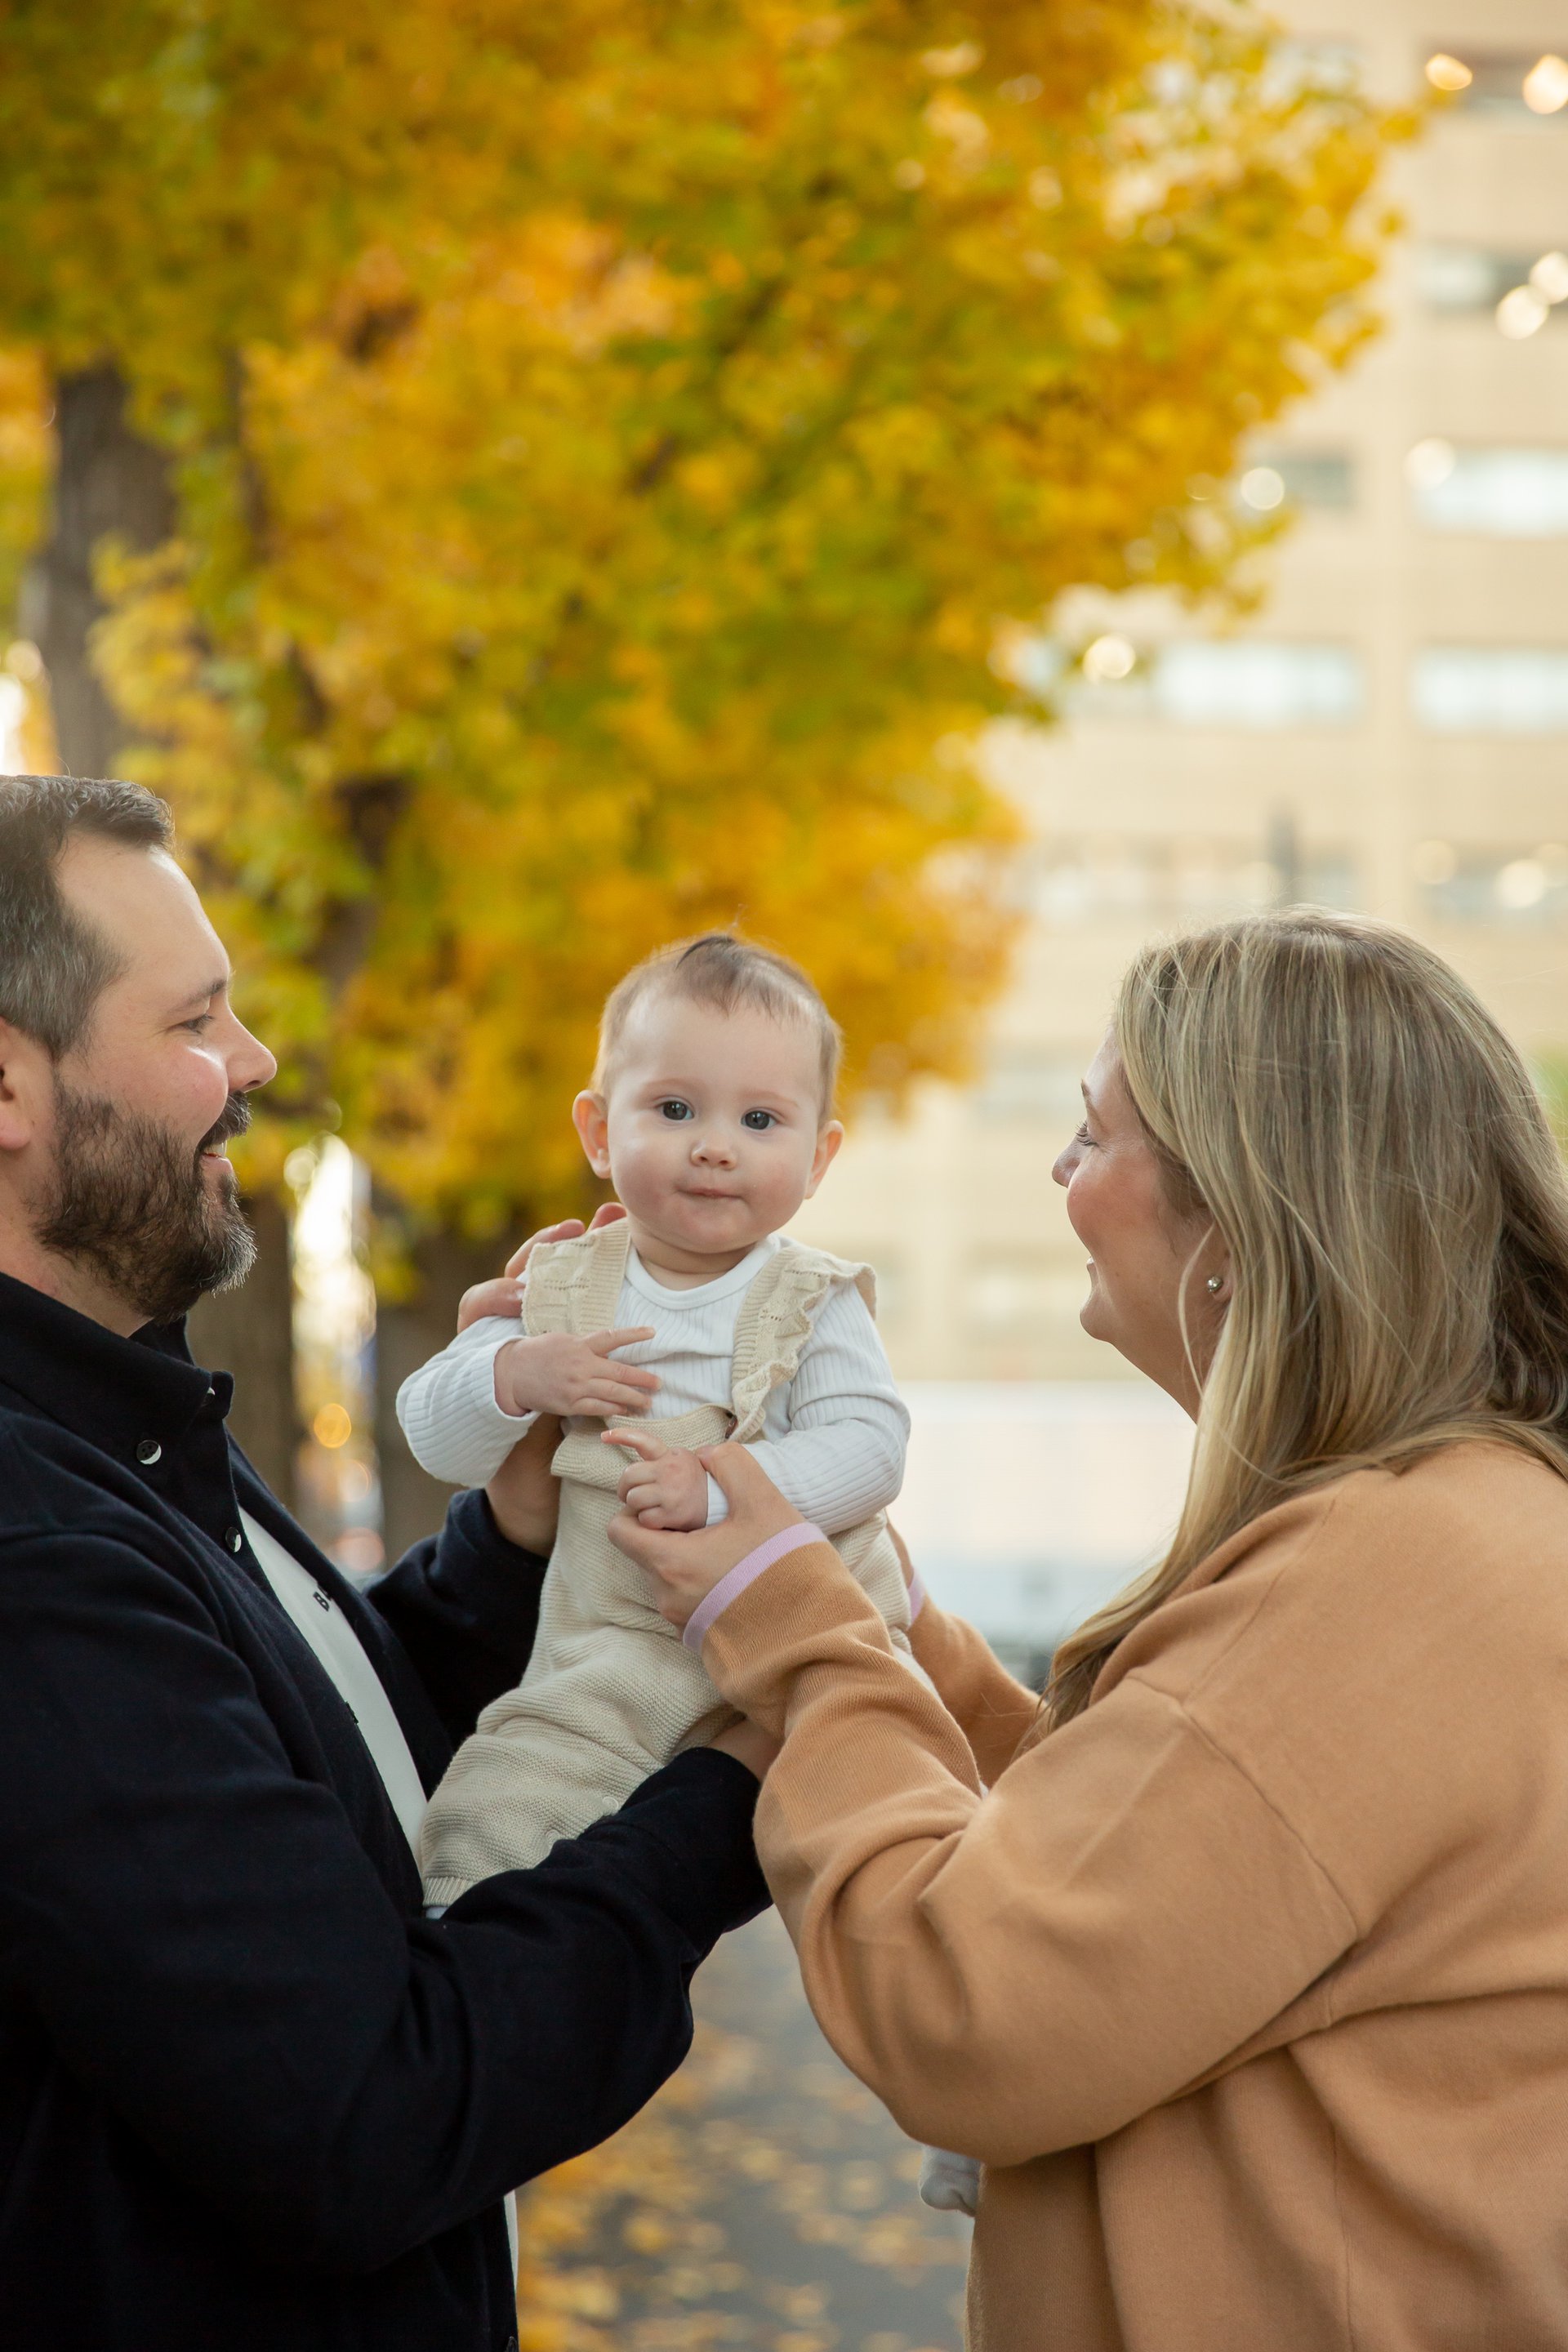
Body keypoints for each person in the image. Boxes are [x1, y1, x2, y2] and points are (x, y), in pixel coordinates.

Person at [613, 910, 1568, 2351]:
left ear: (1235, 1216)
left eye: (1092, 1133)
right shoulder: (1461, 1526)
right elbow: (1145, 1859)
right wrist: (897, 1628)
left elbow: (971, 2004)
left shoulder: (1390, 1573)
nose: (1060, 1176)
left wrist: (796, 1634)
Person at [0, 774, 769, 2352]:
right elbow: (368, 2109)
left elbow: (305, 1782)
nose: (256, 1063)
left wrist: (518, 1542)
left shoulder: (112, 1423)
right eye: (196, 1021)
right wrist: (732, 1792)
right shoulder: (31, 1544)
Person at [397, 933, 915, 1896]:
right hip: (611, 1645)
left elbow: (872, 1448)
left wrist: (721, 1489)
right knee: (499, 1797)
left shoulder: (814, 1298)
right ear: (598, 1132)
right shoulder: (559, 1285)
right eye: (675, 1110)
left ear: (818, 1157)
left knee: (892, 1835)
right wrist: (514, 1374)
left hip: (802, 1640)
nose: (715, 1145)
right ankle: (453, 1934)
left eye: (761, 1119)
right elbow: (433, 1436)